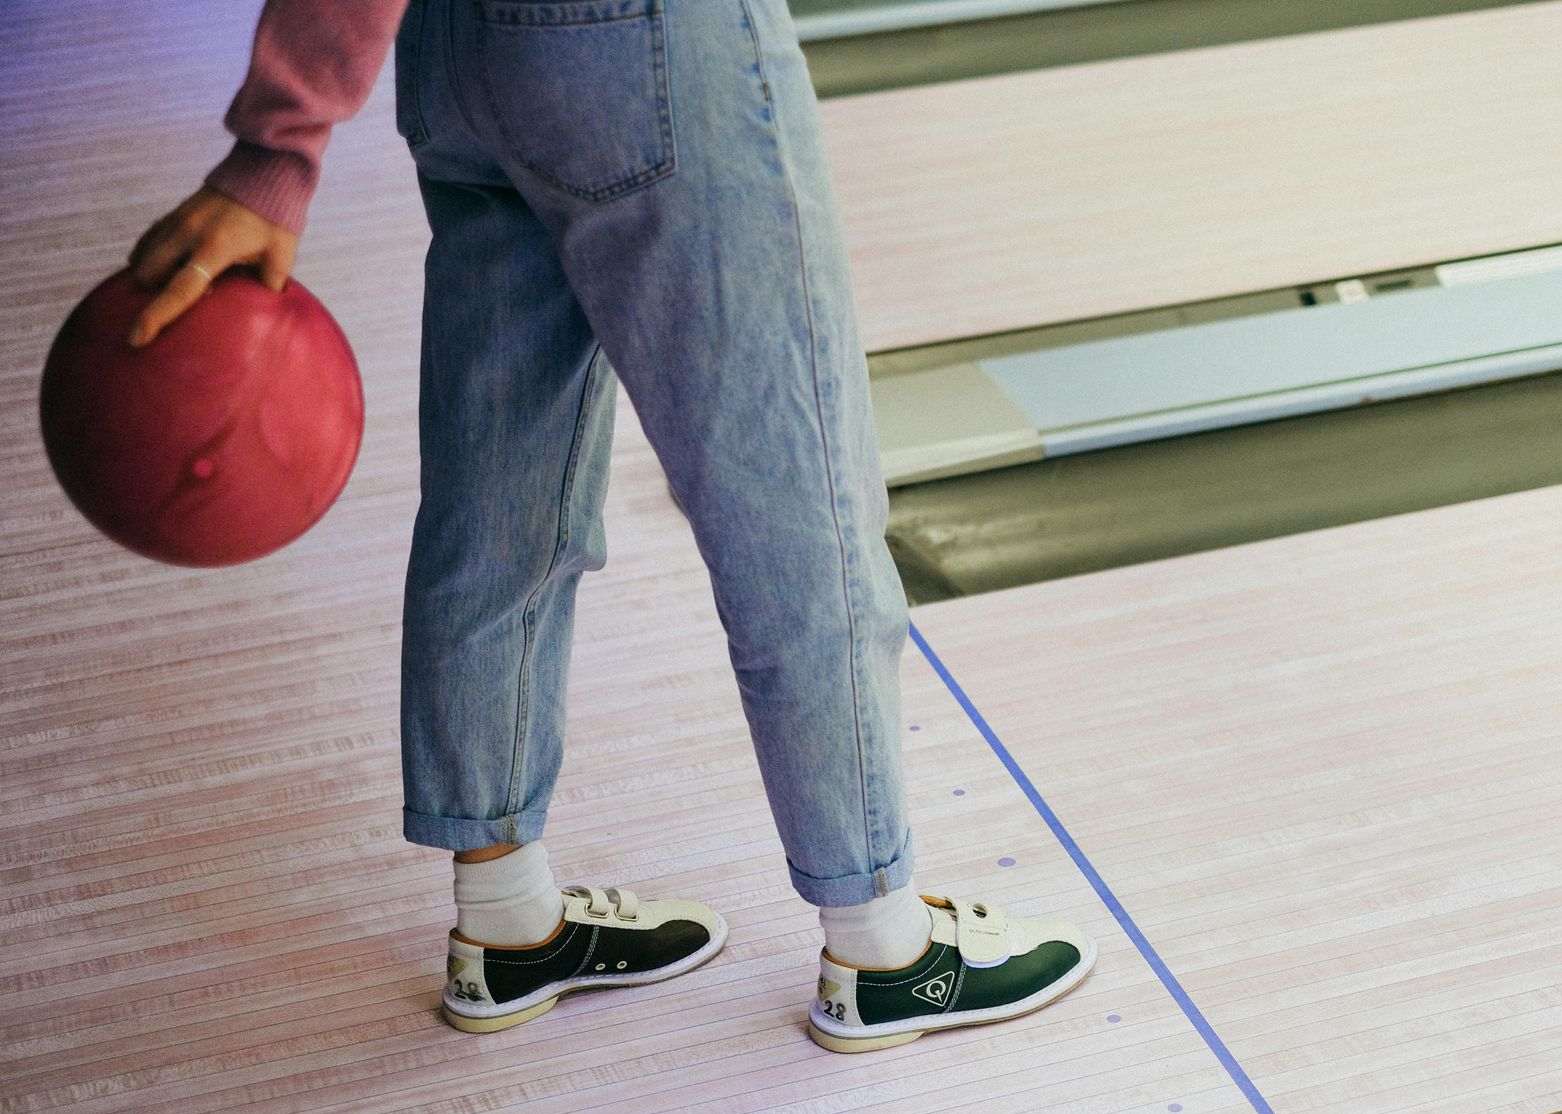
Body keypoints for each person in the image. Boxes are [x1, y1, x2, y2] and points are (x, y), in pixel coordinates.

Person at [126, 0, 1095, 1050]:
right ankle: (883, 947)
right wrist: (279, 143)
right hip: (643, 42)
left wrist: (284, 134)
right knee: (793, 483)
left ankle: (506, 924)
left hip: (460, 57)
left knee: (500, 486)